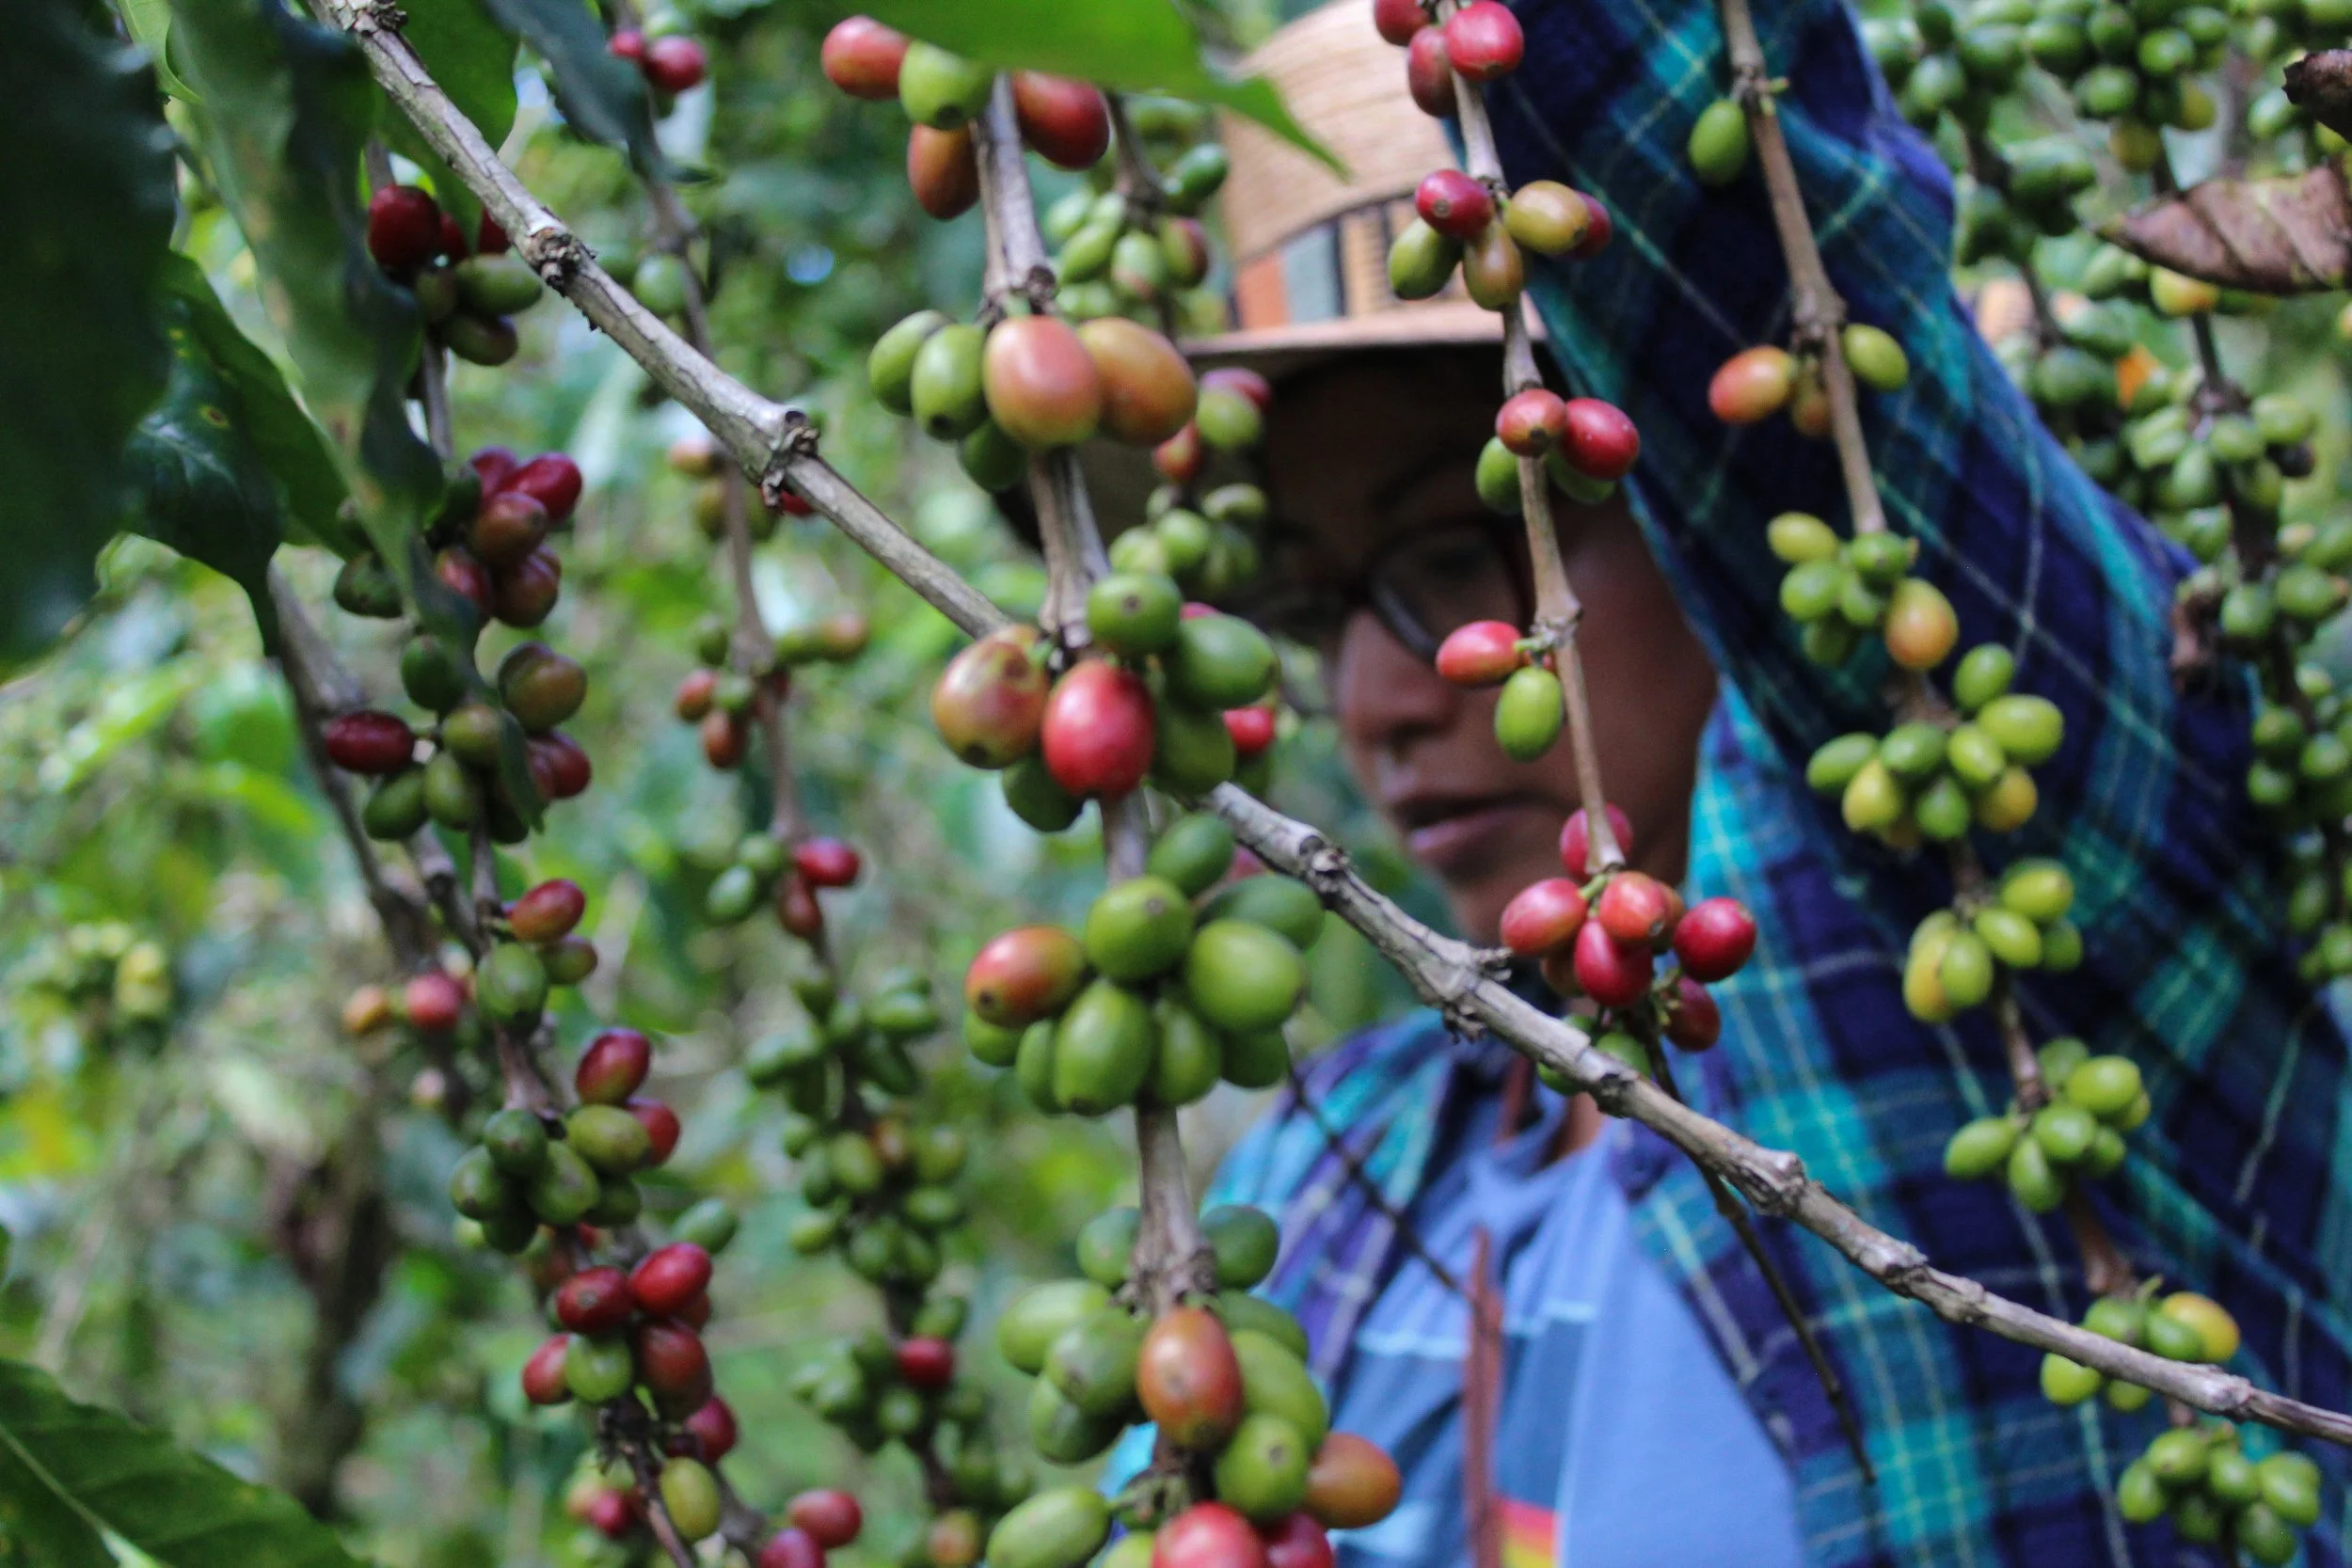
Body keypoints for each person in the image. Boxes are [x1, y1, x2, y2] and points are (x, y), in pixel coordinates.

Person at [1096, 2, 2352, 1565]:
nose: (1373, 702)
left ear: (1694, 494)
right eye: (1317, 603)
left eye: (1446, 554)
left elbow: (1709, 226)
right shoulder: (1332, 1150)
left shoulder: (1985, 925)